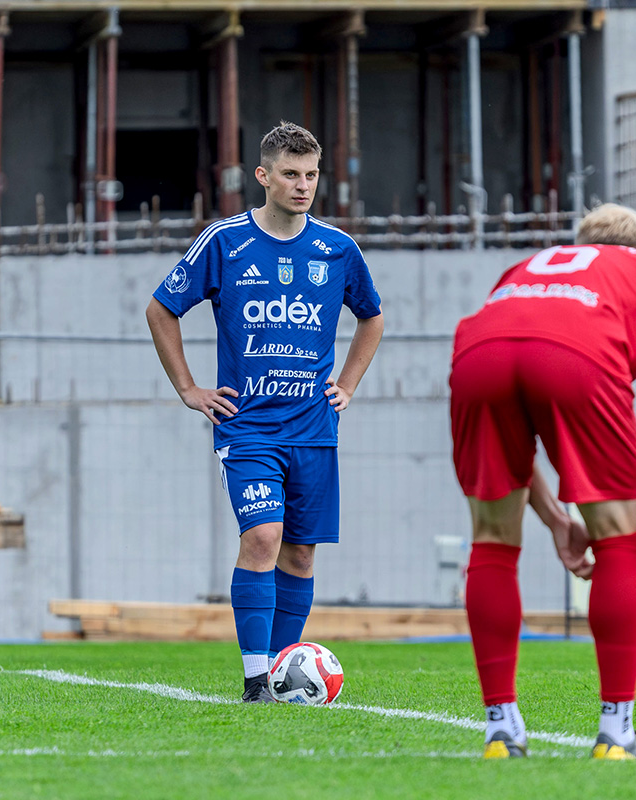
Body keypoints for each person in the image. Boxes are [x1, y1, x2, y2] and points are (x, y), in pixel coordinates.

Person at [449, 204, 636, 759]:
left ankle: (501, 729)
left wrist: (555, 520)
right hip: (579, 353)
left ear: (581, 242)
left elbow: (520, 380)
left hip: (479, 354)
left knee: (492, 540)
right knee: (617, 538)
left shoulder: (528, 268)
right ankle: (615, 732)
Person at [146, 121, 384, 703]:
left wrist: (347, 384)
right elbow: (161, 309)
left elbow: (371, 317)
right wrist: (188, 388)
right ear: (264, 176)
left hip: (314, 428)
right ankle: (257, 680)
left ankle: (282, 675)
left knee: (299, 553)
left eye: (312, 175)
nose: (303, 186)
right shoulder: (224, 241)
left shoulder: (337, 249)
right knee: (263, 536)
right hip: (248, 427)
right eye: (291, 174)